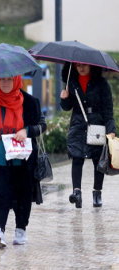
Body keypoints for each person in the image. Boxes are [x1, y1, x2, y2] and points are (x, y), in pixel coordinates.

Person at [0, 75, 46, 249]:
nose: (5, 83)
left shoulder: (29, 102)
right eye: (2, 80)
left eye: (9, 79)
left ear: (16, 81)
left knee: (22, 197)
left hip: (22, 162)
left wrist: (27, 130)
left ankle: (20, 229)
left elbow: (42, 125)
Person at [60, 62, 115, 208]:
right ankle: (76, 193)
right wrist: (64, 98)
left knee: (98, 160)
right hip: (78, 124)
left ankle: (97, 192)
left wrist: (111, 130)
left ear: (92, 66)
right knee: (77, 158)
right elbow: (67, 107)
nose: (81, 68)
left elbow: (108, 109)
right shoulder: (71, 82)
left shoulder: (101, 84)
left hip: (97, 124)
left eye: (84, 65)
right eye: (78, 65)